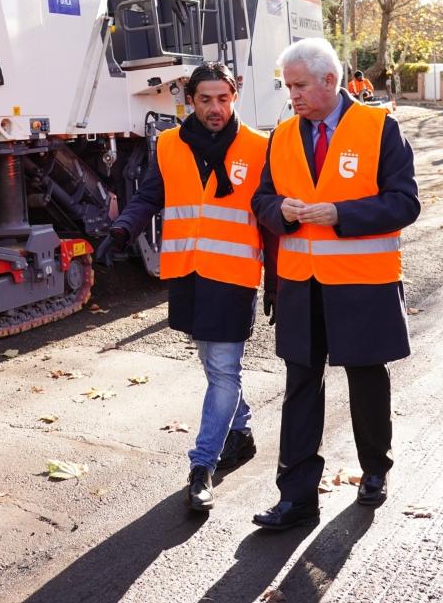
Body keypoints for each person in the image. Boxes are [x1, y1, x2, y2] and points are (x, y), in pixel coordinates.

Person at [251, 38, 420, 531]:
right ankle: (297, 498)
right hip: (301, 287)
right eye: (288, 88)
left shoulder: (379, 127)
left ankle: (374, 471)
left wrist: (341, 214)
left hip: (362, 285)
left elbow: (405, 203)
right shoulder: (282, 135)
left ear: (331, 80)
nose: (294, 97)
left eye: (301, 86)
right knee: (300, 388)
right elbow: (262, 199)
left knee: (366, 382)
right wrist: (276, 210)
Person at [101, 61, 275, 513]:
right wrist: (122, 230)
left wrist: (276, 279)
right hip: (187, 274)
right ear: (190, 101)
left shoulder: (260, 147)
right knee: (214, 365)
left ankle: (202, 466)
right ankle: (240, 431)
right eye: (205, 99)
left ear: (233, 96)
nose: (215, 108)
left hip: (235, 277)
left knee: (223, 370)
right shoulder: (170, 144)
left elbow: (272, 222)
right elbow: (149, 197)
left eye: (223, 98)